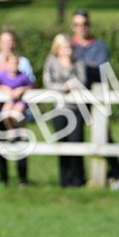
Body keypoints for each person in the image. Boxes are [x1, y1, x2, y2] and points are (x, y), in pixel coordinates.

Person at [69, 9, 119, 188]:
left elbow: (100, 70)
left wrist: (79, 70)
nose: (81, 28)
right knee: (74, 136)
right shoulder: (69, 45)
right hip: (76, 97)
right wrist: (85, 70)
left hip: (96, 95)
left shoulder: (99, 46)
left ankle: (116, 173)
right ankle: (77, 179)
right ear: (73, 27)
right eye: (77, 25)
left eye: (84, 24)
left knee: (104, 135)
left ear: (89, 25)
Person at [43, 34, 89, 188]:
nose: (67, 50)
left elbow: (82, 81)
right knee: (62, 144)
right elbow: (48, 82)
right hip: (59, 109)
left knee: (76, 143)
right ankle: (65, 179)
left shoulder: (78, 62)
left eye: (69, 47)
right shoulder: (51, 61)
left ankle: (78, 179)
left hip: (76, 109)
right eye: (63, 47)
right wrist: (63, 88)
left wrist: (70, 75)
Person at [0, 29, 35, 137]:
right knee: (0, 141)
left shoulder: (23, 62)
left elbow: (31, 83)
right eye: (4, 42)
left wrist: (20, 90)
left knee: (19, 141)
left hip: (18, 107)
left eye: (10, 41)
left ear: (14, 42)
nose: (7, 45)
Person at [0, 51, 34, 187]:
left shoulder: (23, 76)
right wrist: (5, 89)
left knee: (17, 113)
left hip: (20, 102)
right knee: (6, 113)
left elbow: (31, 85)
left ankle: (21, 132)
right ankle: (11, 131)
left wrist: (21, 90)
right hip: (9, 101)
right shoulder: (2, 75)